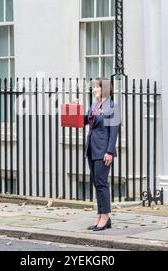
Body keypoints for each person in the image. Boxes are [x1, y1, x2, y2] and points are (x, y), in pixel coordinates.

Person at [72, 78, 120, 231]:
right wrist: (75, 107)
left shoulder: (113, 106)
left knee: (101, 183)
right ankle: (100, 215)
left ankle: (105, 216)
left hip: (104, 150)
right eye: (93, 87)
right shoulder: (93, 105)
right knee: (96, 183)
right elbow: (82, 121)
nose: (94, 90)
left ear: (104, 89)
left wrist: (110, 152)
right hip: (91, 149)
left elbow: (114, 132)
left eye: (97, 87)